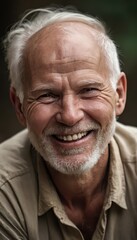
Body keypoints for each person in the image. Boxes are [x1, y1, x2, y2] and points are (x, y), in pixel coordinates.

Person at [0, 6, 137, 240]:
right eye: (47, 95)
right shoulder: (5, 189)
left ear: (119, 95)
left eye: (89, 90)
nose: (70, 116)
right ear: (20, 106)